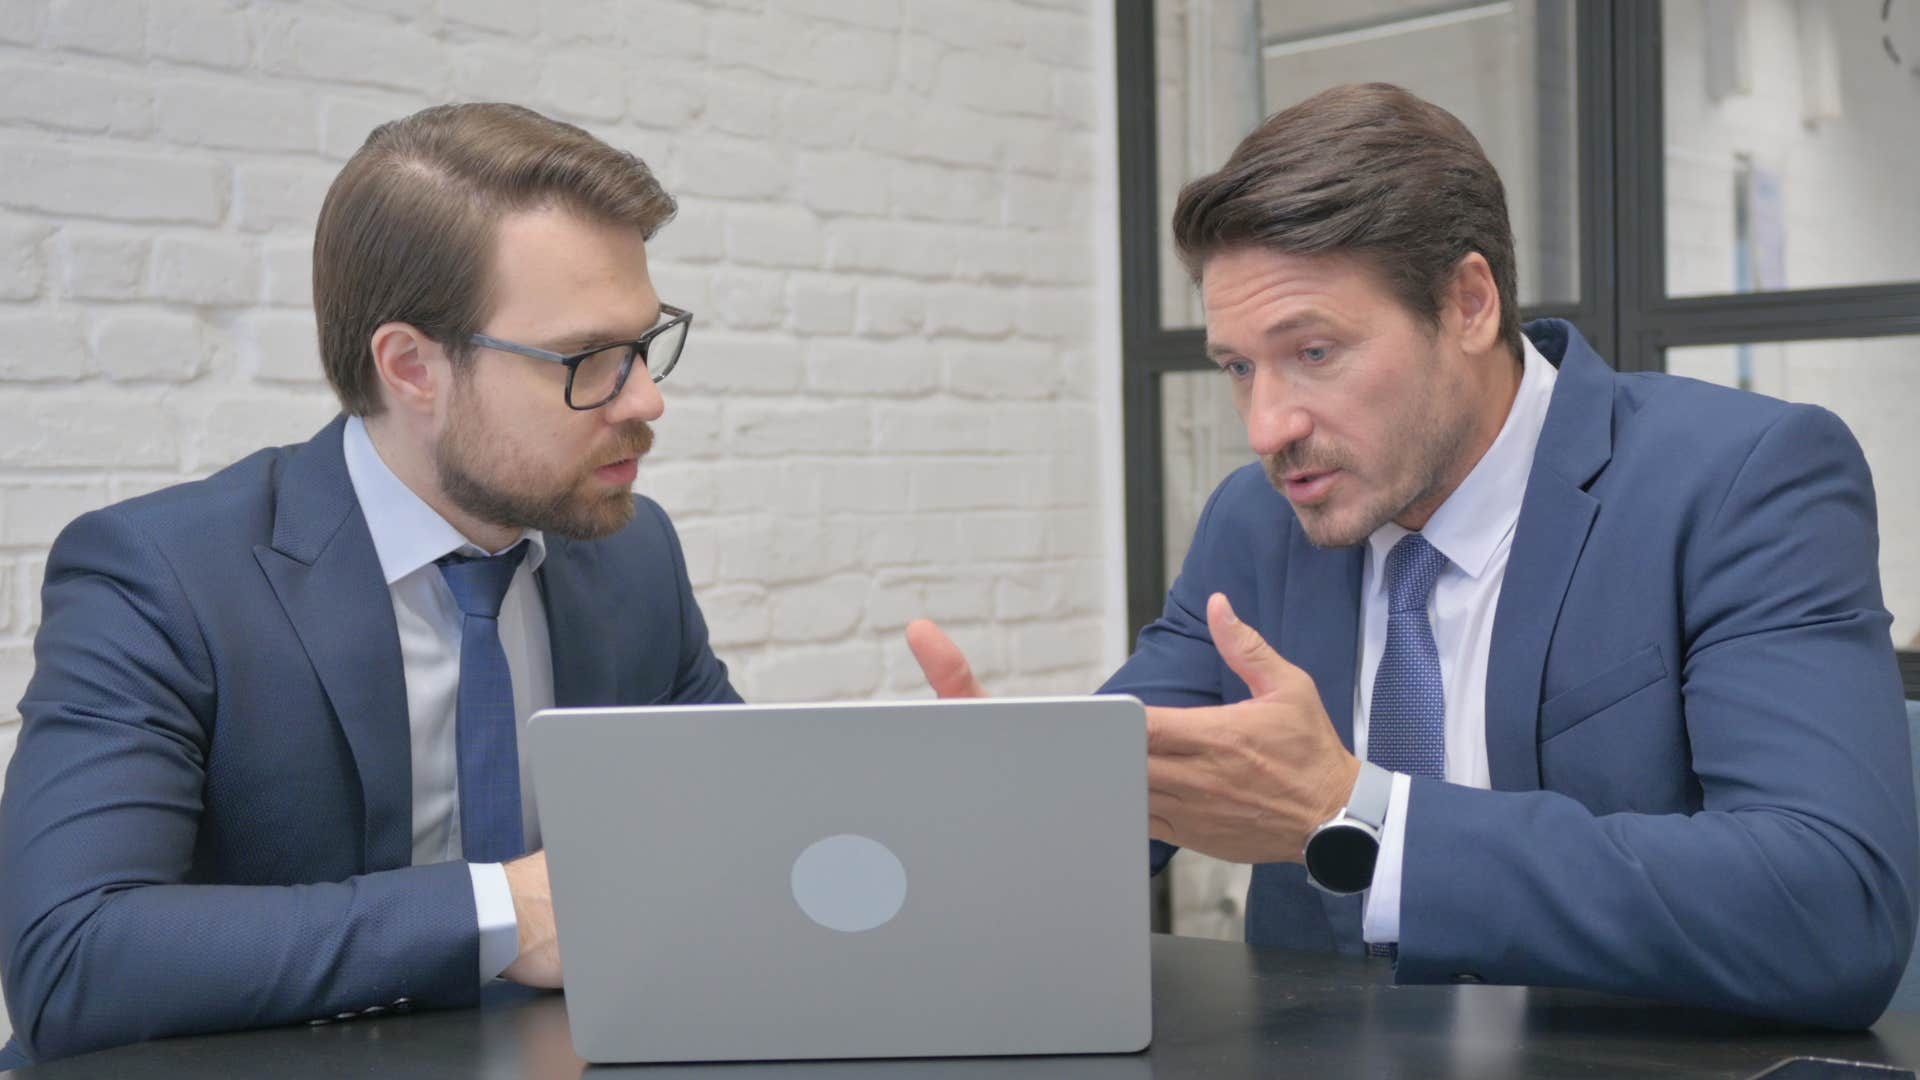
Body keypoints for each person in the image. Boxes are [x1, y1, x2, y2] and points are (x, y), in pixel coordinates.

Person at [910, 82, 1917, 1028]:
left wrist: (1355, 812)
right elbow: (1136, 786)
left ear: (1469, 304)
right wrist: (1021, 803)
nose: (1266, 427)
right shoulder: (1255, 524)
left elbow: (1832, 906)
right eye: (1236, 368)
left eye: (1314, 352)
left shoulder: (1740, 479)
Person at [0, 103, 739, 1064]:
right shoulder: (162, 578)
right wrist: (498, 913)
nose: (646, 398)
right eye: (587, 360)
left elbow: (727, 848)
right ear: (412, 367)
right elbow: (71, 957)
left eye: (645, 344)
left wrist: (948, 806)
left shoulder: (633, 558)